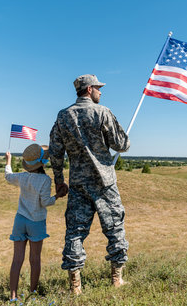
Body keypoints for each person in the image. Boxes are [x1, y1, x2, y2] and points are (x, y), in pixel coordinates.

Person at [49, 74, 130, 295]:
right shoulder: (102, 112)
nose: (101, 92)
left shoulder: (63, 116)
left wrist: (59, 181)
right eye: (98, 88)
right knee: (114, 229)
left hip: (78, 184)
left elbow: (55, 152)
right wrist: (124, 138)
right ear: (88, 90)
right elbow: (121, 145)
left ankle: (75, 286)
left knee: (75, 232)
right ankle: (117, 279)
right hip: (105, 183)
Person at [4, 145, 66, 302]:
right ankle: (32, 294)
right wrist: (57, 196)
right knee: (35, 259)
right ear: (43, 163)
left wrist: (8, 161)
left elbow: (8, 176)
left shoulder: (22, 177)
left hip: (20, 220)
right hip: (36, 222)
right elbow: (45, 202)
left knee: (17, 259)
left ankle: (13, 296)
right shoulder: (45, 180)